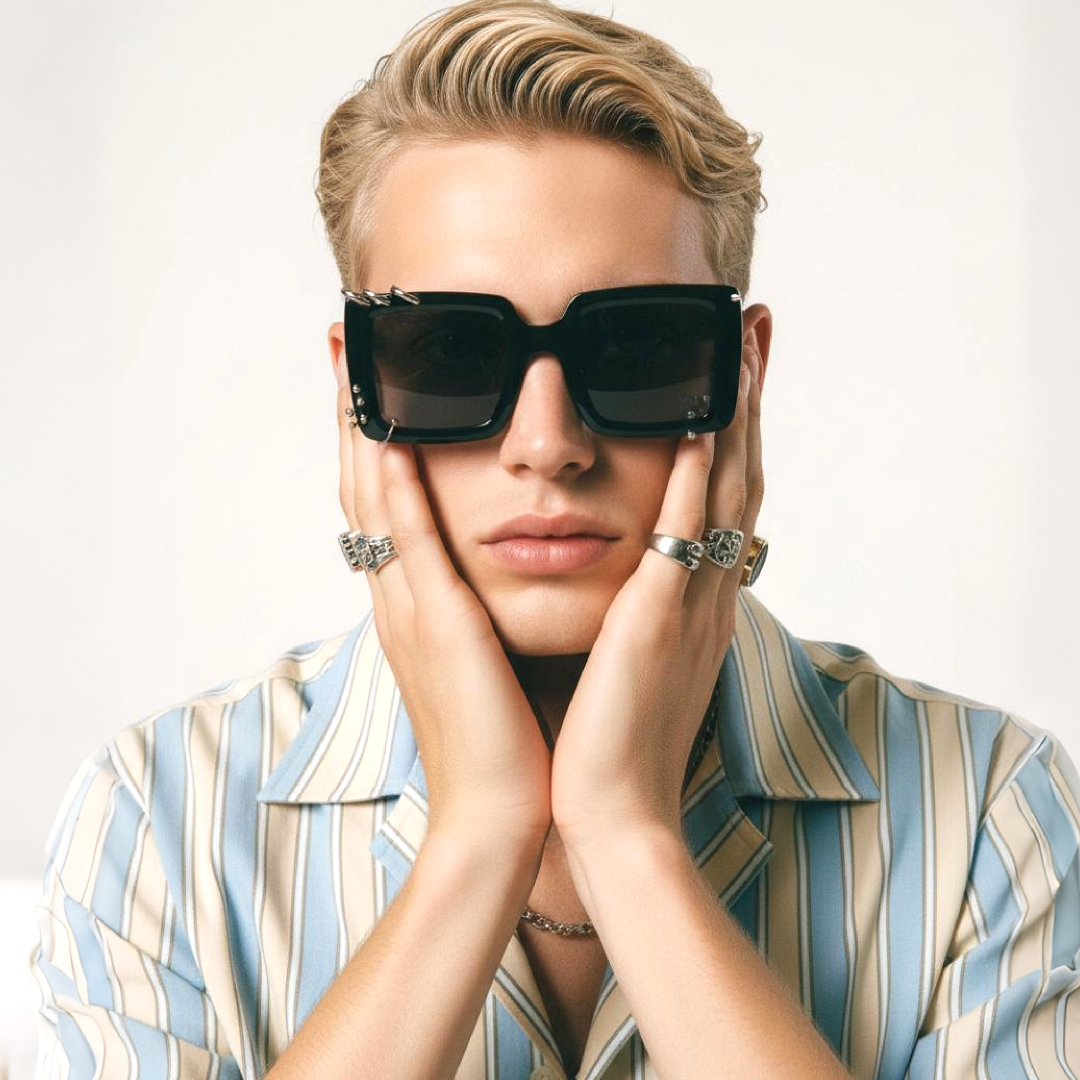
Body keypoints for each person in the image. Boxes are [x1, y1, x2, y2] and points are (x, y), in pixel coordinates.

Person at [30, 1, 1080, 1078]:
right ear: (354, 389)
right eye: (447, 350)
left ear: (743, 379)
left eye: (637, 347)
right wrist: (475, 839)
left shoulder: (988, 811)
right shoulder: (160, 817)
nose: (548, 443)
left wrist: (629, 840)